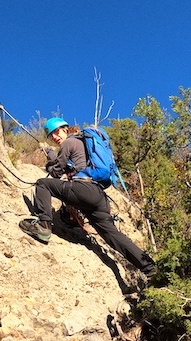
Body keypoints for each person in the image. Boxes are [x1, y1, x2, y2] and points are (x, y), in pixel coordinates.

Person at [19, 117, 156, 279]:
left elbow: (56, 172)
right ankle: (148, 266)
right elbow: (70, 166)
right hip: (98, 196)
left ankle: (43, 226)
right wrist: (50, 153)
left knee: (43, 184)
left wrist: (48, 155)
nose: (55, 137)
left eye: (57, 132)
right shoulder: (82, 144)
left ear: (65, 129)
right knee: (110, 234)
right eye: (51, 136)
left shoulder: (69, 142)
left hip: (84, 189)